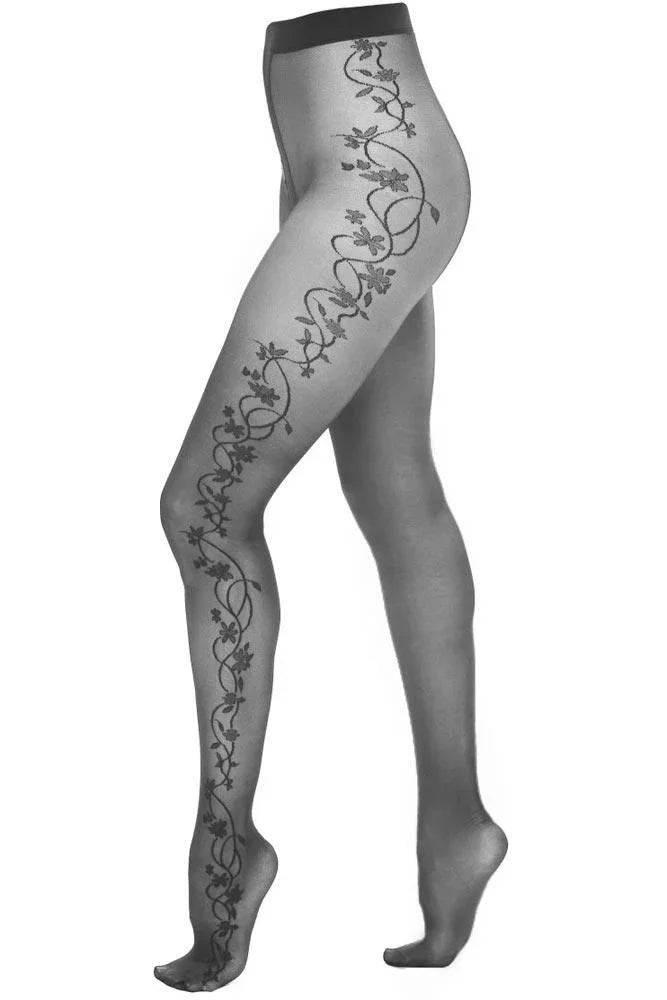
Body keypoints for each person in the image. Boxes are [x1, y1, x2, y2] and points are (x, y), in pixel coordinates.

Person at [154, 4, 507, 991]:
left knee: (204, 508)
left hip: (374, 175)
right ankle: (456, 828)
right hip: (345, 160)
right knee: (396, 491)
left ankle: (226, 850)